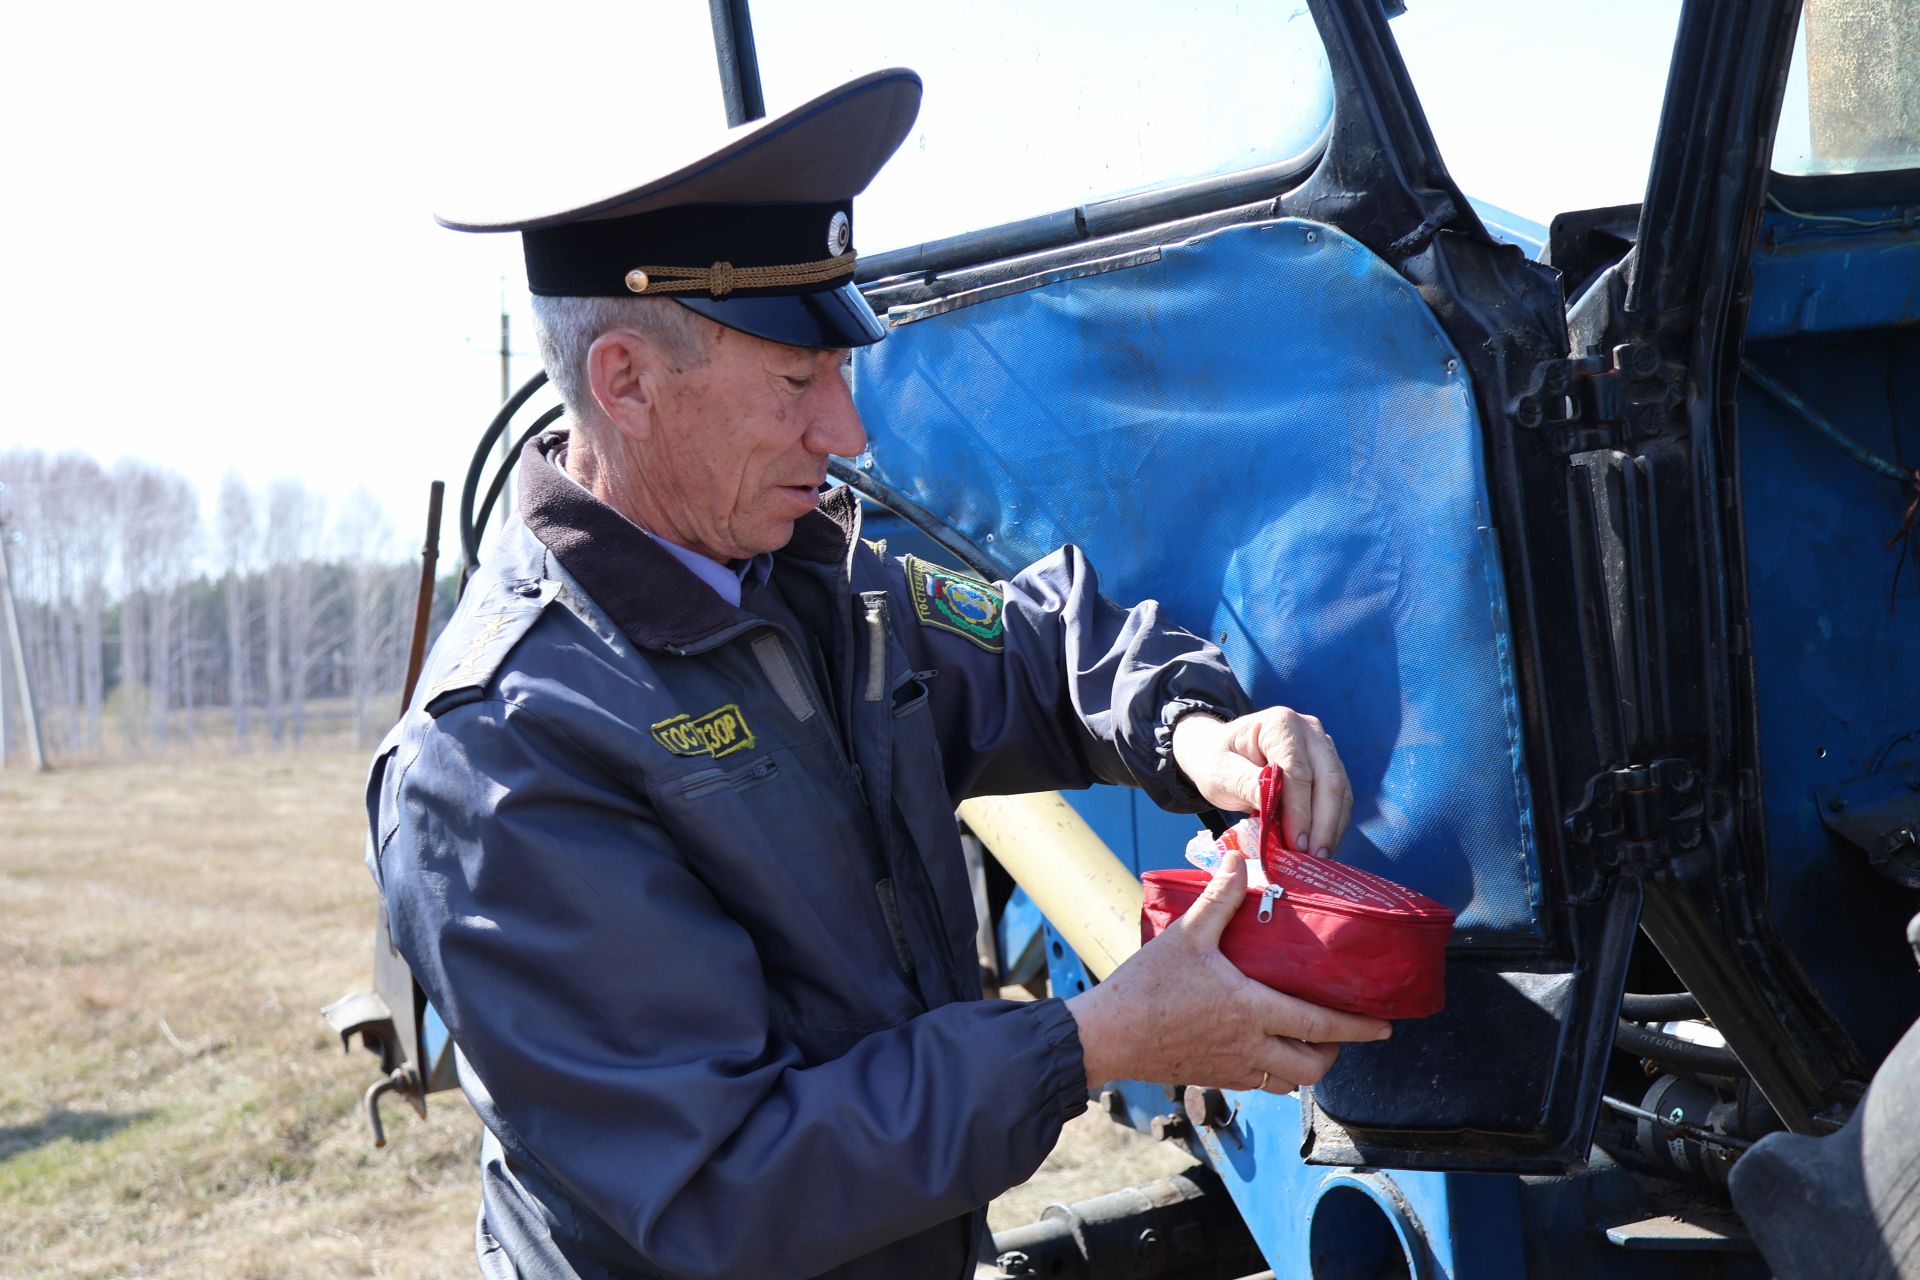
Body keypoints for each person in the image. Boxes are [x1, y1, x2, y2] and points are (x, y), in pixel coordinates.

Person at [372, 68, 1390, 1280]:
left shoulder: (811, 583)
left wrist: (1189, 727)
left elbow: (1032, 650)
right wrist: (1093, 1039)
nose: (846, 432)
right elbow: (728, 1184)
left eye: (841, 377)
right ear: (628, 382)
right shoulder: (498, 756)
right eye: (798, 382)